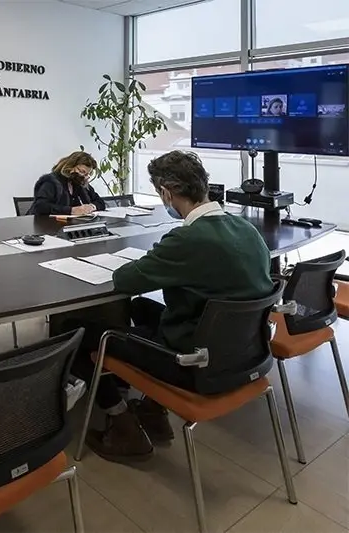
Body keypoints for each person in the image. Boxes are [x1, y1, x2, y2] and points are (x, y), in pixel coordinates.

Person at [70, 150, 273, 463]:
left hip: (192, 363)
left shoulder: (187, 240)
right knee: (139, 309)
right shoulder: (247, 230)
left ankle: (123, 424)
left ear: (166, 193)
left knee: (83, 330)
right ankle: (152, 409)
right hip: (245, 353)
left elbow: (125, 279)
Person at [28, 150, 106, 216]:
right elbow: (40, 206)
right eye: (82, 171)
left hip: (72, 226)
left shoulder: (79, 183)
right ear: (70, 166)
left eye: (87, 174)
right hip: (46, 227)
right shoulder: (50, 181)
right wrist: (71, 210)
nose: (85, 177)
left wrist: (91, 207)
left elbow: (100, 202)